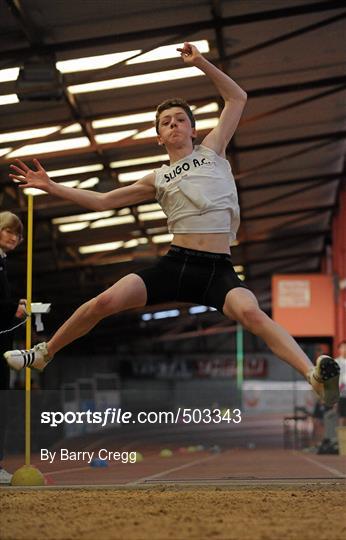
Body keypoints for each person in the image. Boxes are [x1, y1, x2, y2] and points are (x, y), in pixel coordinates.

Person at [3, 42, 340, 407]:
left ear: (193, 130)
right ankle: (44, 353)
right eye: (166, 122)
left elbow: (238, 98)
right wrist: (52, 186)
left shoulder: (213, 150)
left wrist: (201, 63)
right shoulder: (156, 178)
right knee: (104, 301)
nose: (174, 124)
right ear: (159, 137)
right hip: (177, 264)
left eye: (180, 120)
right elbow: (102, 201)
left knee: (251, 312)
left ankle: (313, 377)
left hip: (218, 270)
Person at [0, 211, 26, 484]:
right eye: (9, 230)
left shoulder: (2, 264)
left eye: (18, 235)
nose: (14, 237)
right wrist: (13, 308)